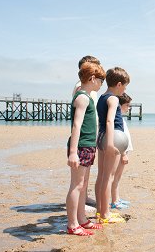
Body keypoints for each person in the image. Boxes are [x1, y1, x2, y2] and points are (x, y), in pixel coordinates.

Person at [66, 62, 106, 236]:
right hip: (81, 146)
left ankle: (82, 219)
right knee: (76, 185)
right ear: (92, 79)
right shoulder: (82, 97)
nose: (101, 84)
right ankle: (72, 224)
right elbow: (76, 125)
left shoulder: (88, 97)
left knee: (83, 185)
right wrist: (73, 152)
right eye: (100, 80)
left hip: (88, 146)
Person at [95, 67, 130, 224]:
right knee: (108, 178)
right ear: (119, 84)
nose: (124, 90)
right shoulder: (114, 99)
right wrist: (110, 144)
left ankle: (99, 211)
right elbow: (110, 121)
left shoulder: (102, 97)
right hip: (112, 138)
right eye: (125, 87)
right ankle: (106, 214)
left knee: (102, 176)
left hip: (101, 136)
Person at [72, 55, 101, 212]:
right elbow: (78, 122)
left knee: (85, 174)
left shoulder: (89, 89)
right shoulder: (81, 89)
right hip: (84, 137)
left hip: (89, 135)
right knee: (79, 179)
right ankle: (80, 204)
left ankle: (84, 198)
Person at [110, 93, 134, 209]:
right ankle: (115, 201)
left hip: (124, 150)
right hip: (120, 151)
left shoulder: (121, 119)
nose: (128, 108)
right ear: (120, 106)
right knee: (115, 176)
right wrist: (124, 154)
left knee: (118, 177)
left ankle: (117, 198)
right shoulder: (117, 119)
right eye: (127, 105)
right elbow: (118, 138)